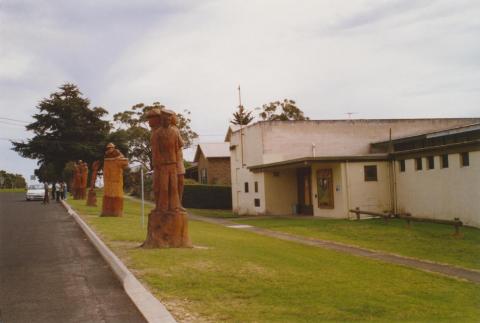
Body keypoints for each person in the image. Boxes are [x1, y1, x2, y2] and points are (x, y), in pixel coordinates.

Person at [170, 113, 186, 208]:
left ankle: (178, 203)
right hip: (174, 160)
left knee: (179, 182)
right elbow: (181, 143)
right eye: (175, 117)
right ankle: (176, 203)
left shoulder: (175, 129)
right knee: (178, 183)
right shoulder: (174, 130)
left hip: (178, 160)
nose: (177, 119)